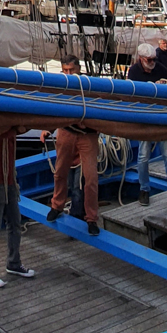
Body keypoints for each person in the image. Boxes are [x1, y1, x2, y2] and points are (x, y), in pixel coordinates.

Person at [46, 55, 102, 234]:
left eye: (71, 70)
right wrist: (48, 128)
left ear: (79, 69)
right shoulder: (61, 86)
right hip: (66, 131)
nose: (69, 74)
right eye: (65, 70)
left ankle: (91, 218)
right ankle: (57, 205)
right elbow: (55, 108)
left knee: (90, 178)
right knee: (60, 171)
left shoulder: (89, 85)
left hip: (87, 135)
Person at [0, 126, 35, 287]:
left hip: (8, 177)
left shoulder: (10, 124)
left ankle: (14, 263)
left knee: (15, 222)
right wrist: (16, 127)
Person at [127, 42, 167, 206]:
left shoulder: (158, 67)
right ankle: (144, 189)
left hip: (161, 116)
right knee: (143, 157)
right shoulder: (134, 72)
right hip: (145, 118)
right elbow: (132, 93)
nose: (152, 62)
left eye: (153, 59)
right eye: (149, 60)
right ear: (141, 59)